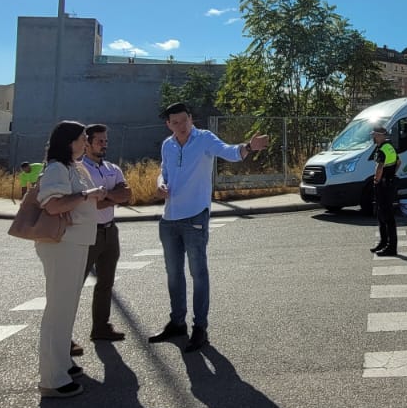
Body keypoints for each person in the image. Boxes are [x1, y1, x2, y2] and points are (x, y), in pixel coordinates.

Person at [148, 102, 269, 354]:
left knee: (198, 274)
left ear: (191, 119)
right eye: (175, 122)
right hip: (169, 219)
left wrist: (248, 146)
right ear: (168, 124)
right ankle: (177, 322)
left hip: (195, 217)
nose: (181, 126)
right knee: (173, 275)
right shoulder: (167, 144)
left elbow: (229, 152)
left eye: (185, 120)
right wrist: (161, 184)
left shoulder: (204, 139)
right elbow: (164, 172)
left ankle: (199, 327)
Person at [34, 121, 105, 398]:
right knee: (58, 310)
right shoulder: (56, 168)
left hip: (75, 243)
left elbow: (79, 200)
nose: (85, 143)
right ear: (69, 142)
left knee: (67, 308)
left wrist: (92, 195)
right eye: (82, 139)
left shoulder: (74, 167)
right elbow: (52, 205)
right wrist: (87, 194)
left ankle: (62, 363)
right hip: (61, 244)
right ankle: (52, 379)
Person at [79, 123, 132, 344]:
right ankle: (63, 336)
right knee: (74, 285)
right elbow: (90, 206)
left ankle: (100, 327)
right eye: (99, 141)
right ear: (87, 143)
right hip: (87, 233)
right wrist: (112, 198)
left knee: (106, 282)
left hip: (110, 232)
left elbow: (127, 194)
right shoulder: (79, 170)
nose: (104, 145)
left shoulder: (113, 168)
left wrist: (106, 195)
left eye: (105, 141)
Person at [367, 125, 399, 256]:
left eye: (375, 135)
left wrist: (376, 180)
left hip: (383, 186)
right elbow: (399, 162)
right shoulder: (389, 147)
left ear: (381, 135)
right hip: (389, 183)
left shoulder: (382, 149)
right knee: (382, 215)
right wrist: (391, 175)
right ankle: (383, 242)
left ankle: (391, 247)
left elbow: (379, 167)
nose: (373, 137)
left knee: (387, 216)